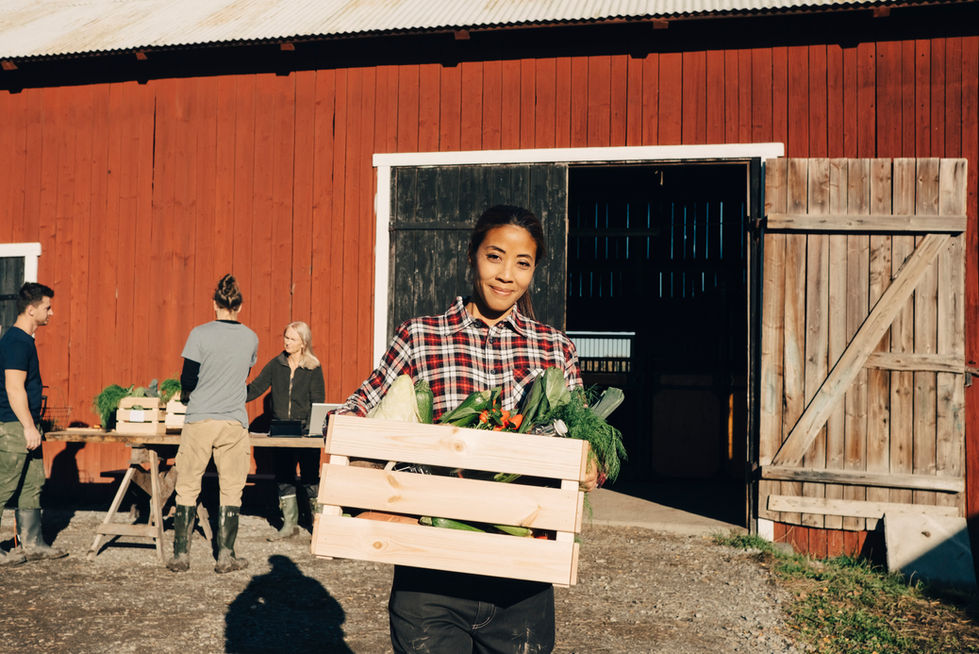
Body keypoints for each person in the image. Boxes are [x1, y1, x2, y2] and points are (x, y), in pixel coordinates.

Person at [337, 205, 598, 654]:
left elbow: (587, 442)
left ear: (535, 271)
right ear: (472, 255)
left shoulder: (556, 348)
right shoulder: (419, 337)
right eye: (494, 256)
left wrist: (593, 463)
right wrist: (364, 451)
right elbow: (355, 414)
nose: (506, 275)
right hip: (429, 577)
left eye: (523, 263)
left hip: (522, 578)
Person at [167, 274, 258, 574]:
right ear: (240, 306)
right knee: (232, 489)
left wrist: (187, 395)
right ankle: (226, 556)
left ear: (213, 304)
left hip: (200, 417)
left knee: (188, 485)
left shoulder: (199, 334)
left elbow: (188, 378)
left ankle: (181, 556)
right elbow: (241, 373)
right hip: (233, 419)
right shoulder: (250, 337)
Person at [0, 282, 67, 566]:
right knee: (4, 485)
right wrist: (28, 426)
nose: (51, 313)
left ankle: (33, 543)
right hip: (13, 426)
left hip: (27, 424)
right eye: (47, 308)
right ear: (31, 309)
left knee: (32, 483)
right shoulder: (16, 342)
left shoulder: (25, 340)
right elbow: (14, 388)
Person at [246, 321, 325, 540]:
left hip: (306, 433)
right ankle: (289, 525)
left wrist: (310, 429)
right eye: (286, 337)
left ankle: (318, 527)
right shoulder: (275, 364)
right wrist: (230, 394)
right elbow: (255, 389)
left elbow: (318, 401)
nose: (287, 342)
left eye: (292, 339)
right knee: (284, 477)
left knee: (310, 478)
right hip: (280, 431)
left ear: (303, 342)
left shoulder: (313, 368)